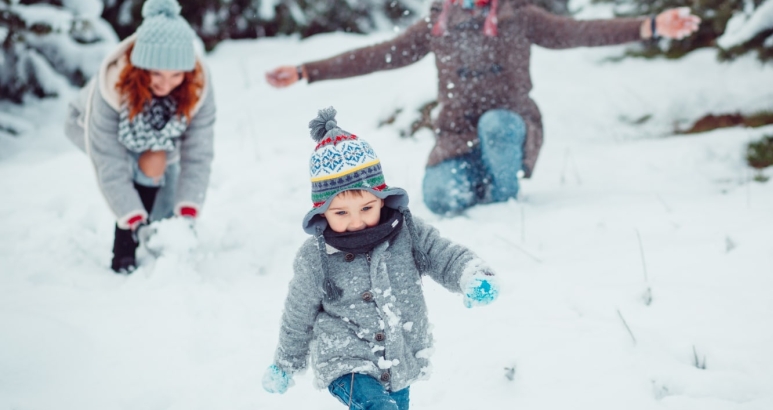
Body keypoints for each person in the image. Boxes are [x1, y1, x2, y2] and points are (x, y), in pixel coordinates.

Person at [265, 1, 700, 215]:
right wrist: (307, 70)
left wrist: (650, 26)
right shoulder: (438, 24)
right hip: (456, 137)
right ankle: (485, 183)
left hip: (510, 125)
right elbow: (378, 55)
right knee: (438, 199)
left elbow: (579, 31)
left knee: (497, 125)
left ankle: (503, 201)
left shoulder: (519, 17)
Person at [262, 107, 500, 410]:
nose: (356, 221)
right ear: (322, 212)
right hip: (344, 358)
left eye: (366, 208)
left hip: (399, 353)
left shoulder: (406, 233)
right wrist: (285, 363)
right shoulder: (315, 258)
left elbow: (444, 255)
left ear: (382, 198)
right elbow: (298, 315)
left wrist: (471, 275)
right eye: (340, 213)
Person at [65, 0, 216, 273]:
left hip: (154, 136)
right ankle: (124, 247)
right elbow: (108, 158)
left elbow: (198, 152)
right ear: (139, 67)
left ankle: (152, 222)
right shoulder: (113, 83)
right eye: (156, 73)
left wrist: (189, 207)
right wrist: (130, 214)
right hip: (88, 127)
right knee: (150, 166)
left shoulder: (198, 86)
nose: (166, 84)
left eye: (176, 75)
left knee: (165, 216)